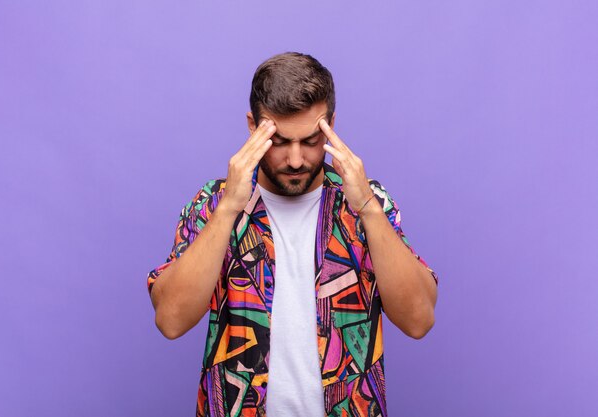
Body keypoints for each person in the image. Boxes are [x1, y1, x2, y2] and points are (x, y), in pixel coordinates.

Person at [146, 52, 439, 417]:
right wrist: (227, 210)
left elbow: (419, 319)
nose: (296, 159)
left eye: (311, 140)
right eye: (280, 142)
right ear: (253, 127)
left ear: (331, 124)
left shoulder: (366, 203)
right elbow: (170, 321)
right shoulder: (214, 203)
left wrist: (366, 204)